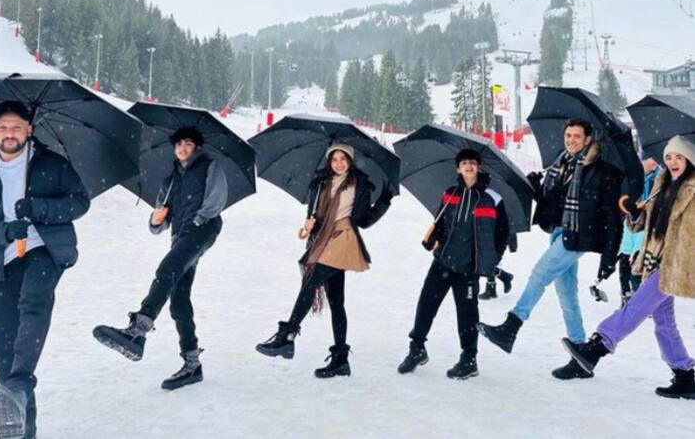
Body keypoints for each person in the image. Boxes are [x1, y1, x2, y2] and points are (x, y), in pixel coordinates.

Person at [0, 100, 90, 439]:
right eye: (3, 127)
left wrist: (38, 208)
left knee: (33, 303)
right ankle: (17, 420)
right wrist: (1, 232)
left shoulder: (52, 164)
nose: (9, 133)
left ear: (29, 130)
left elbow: (79, 201)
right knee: (2, 344)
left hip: (45, 250)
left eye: (16, 127)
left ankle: (18, 387)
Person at [477, 118, 623, 380]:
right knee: (566, 293)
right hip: (558, 232)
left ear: (588, 139)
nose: (571, 140)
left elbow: (612, 216)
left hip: (577, 236)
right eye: (568, 135)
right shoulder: (561, 163)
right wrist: (537, 189)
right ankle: (580, 354)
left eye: (577, 136)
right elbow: (554, 202)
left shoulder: (599, 170)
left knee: (539, 275)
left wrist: (610, 258)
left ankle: (512, 326)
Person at [93, 126, 227, 390]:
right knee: (178, 300)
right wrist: (156, 221)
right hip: (180, 235)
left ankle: (137, 331)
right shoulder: (171, 181)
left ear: (197, 147)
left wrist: (198, 220)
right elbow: (158, 221)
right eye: (179, 144)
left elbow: (216, 199)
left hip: (203, 229)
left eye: (188, 143)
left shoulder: (210, 166)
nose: (183, 148)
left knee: (167, 270)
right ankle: (192, 365)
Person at [563, 136, 695, 399]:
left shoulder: (692, 190)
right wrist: (636, 215)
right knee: (664, 322)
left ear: (689, 160)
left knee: (634, 307)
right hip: (655, 259)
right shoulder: (664, 184)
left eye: (678, 157)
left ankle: (598, 346)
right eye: (668, 158)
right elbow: (652, 225)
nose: (672, 162)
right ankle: (685, 374)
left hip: (676, 263)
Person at [255, 143, 393, 378]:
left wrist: (384, 201)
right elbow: (316, 215)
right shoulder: (321, 184)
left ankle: (287, 335)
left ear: (350, 162)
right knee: (336, 301)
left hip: (344, 237)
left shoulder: (359, 185)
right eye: (335, 159)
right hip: (323, 239)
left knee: (311, 282)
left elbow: (364, 220)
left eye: (344, 159)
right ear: (329, 162)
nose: (339, 163)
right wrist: (311, 223)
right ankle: (340, 359)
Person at [397, 149, 509, 379]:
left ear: (478, 167)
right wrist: (432, 240)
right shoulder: (450, 194)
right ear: (458, 168)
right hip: (443, 261)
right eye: (464, 163)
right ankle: (416, 348)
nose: (468, 166)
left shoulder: (493, 198)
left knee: (467, 313)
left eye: (472, 163)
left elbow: (502, 234)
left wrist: (493, 259)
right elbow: (440, 222)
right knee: (426, 303)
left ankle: (469, 359)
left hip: (469, 268)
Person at [618, 154, 660, 304]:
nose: (655, 163)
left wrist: (647, 206)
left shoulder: (660, 177)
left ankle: (639, 295)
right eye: (652, 159)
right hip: (629, 223)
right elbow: (621, 197)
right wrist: (629, 205)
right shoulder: (631, 174)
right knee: (624, 256)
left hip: (647, 225)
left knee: (638, 258)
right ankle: (625, 292)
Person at [479, 234, 516, 300]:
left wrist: (512, 243)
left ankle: (492, 287)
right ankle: (502, 278)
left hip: (497, 236)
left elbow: (510, 225)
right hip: (487, 234)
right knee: (485, 263)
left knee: (486, 262)